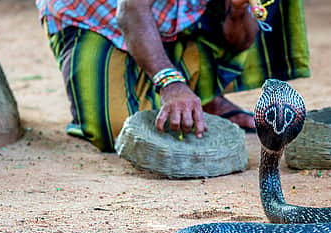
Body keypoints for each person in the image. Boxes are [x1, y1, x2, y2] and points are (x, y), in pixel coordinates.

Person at [36, 0, 310, 152]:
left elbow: (240, 40)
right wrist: (171, 83)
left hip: (178, 12)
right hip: (96, 15)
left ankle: (204, 95)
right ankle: (177, 86)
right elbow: (131, 12)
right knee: (115, 130)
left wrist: (238, 9)